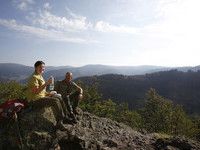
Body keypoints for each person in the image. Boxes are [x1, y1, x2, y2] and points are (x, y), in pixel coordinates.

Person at [26, 61, 68, 130]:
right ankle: (59, 123)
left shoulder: (40, 76)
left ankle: (65, 117)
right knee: (55, 101)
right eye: (40, 67)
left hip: (41, 97)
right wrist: (46, 83)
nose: (42, 68)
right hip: (34, 100)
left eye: (43, 67)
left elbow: (42, 91)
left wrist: (49, 94)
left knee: (58, 97)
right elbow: (36, 92)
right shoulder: (33, 77)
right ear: (35, 67)